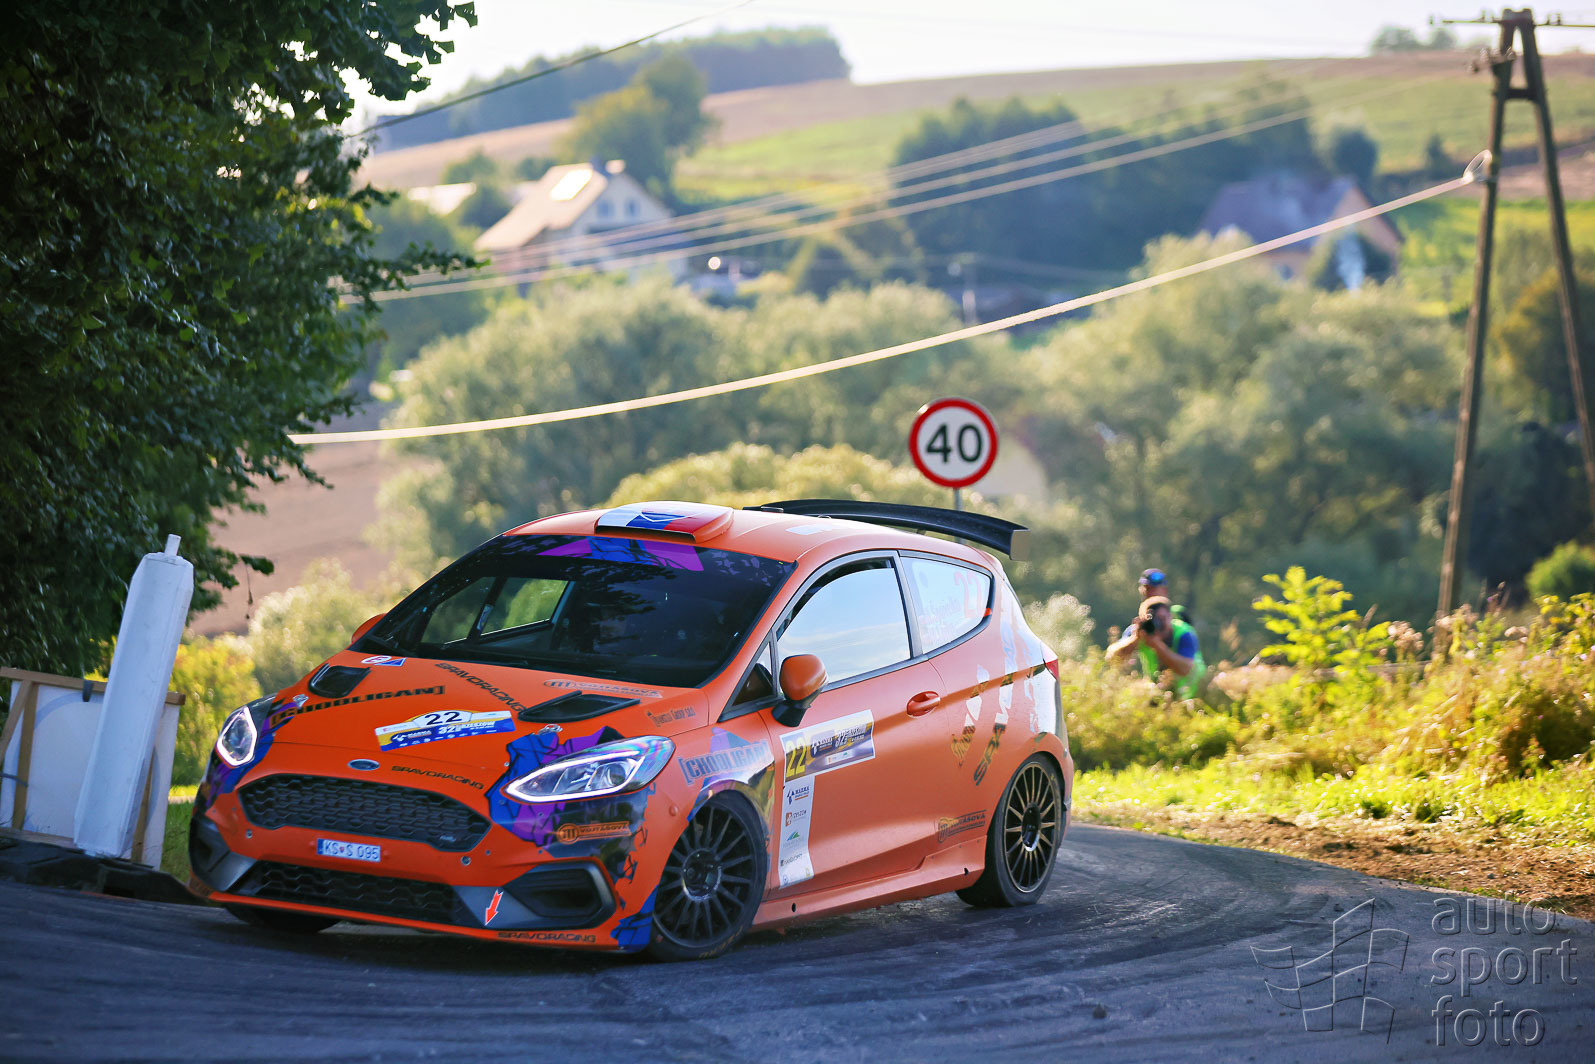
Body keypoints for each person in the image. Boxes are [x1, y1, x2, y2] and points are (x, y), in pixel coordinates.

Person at [1107, 595, 1205, 698]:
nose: (1159, 624)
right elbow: (1112, 659)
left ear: (1170, 616)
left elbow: (1185, 669)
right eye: (1154, 620)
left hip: (1195, 691)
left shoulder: (1184, 632)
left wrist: (1157, 646)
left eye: (1162, 619)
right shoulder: (1141, 632)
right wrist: (1134, 639)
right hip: (1158, 691)